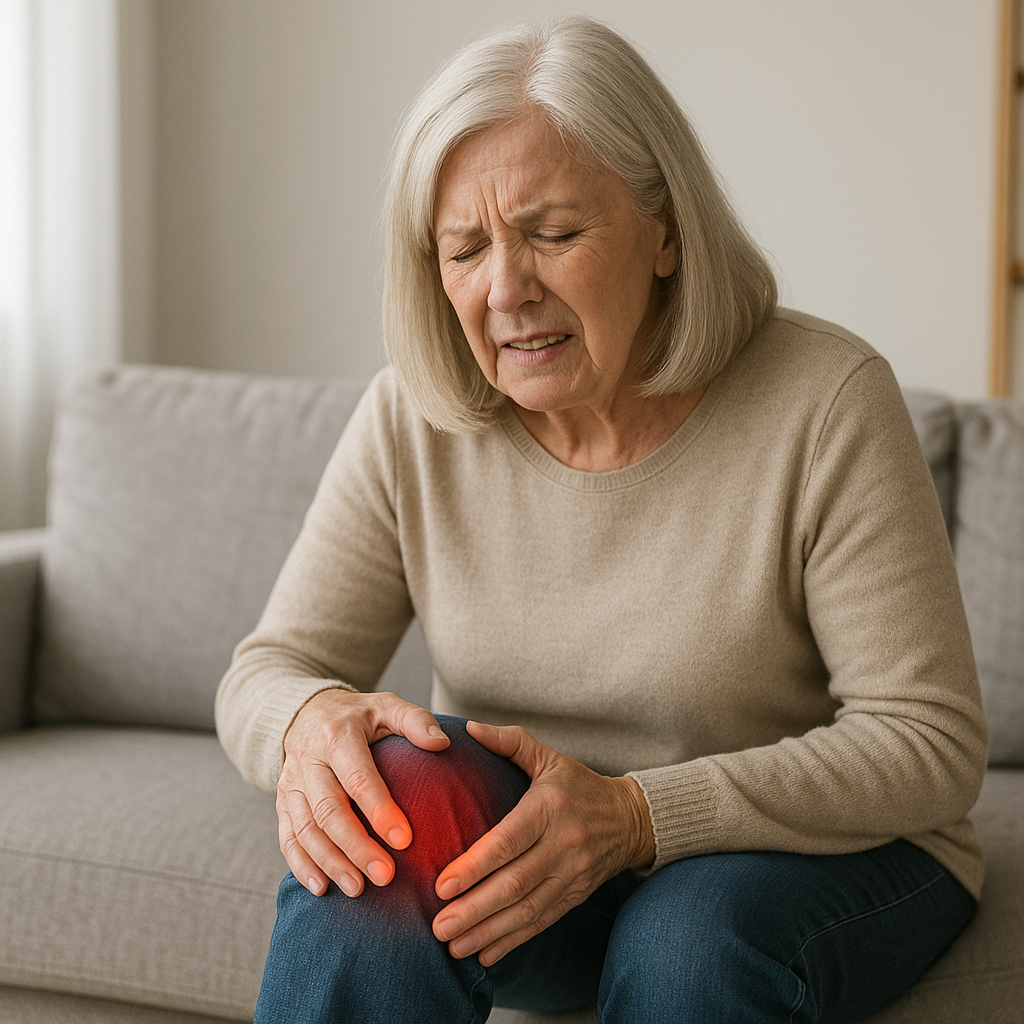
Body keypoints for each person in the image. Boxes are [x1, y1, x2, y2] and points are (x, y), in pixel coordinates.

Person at [215, 14, 987, 1024]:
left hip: (809, 858)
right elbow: (266, 670)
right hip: (539, 880)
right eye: (464, 249)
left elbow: (927, 743)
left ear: (665, 229)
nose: (504, 290)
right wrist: (306, 724)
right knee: (396, 799)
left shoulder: (824, 399)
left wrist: (633, 816)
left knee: (685, 941)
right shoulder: (414, 415)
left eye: (553, 233)